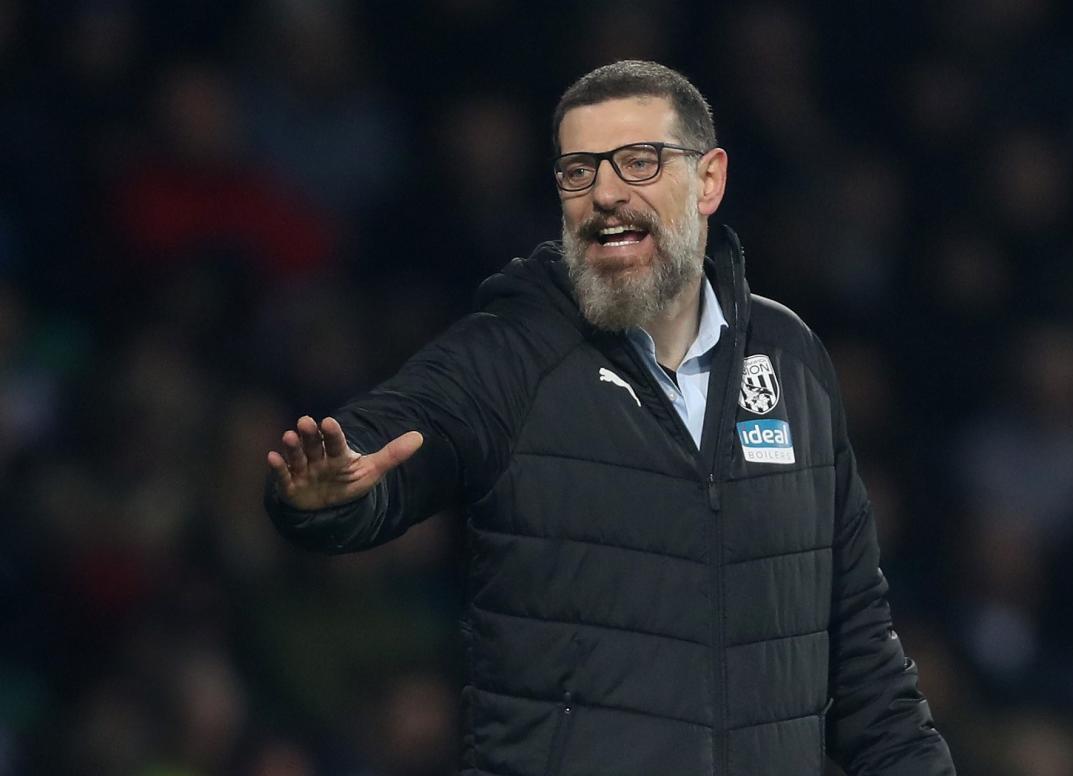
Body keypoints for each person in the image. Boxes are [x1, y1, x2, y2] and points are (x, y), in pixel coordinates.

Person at [265, 60, 955, 776]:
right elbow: (400, 434)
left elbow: (863, 665)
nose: (604, 194)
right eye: (577, 172)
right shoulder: (513, 353)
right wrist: (335, 496)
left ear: (709, 179)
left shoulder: (792, 361)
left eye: (638, 162)